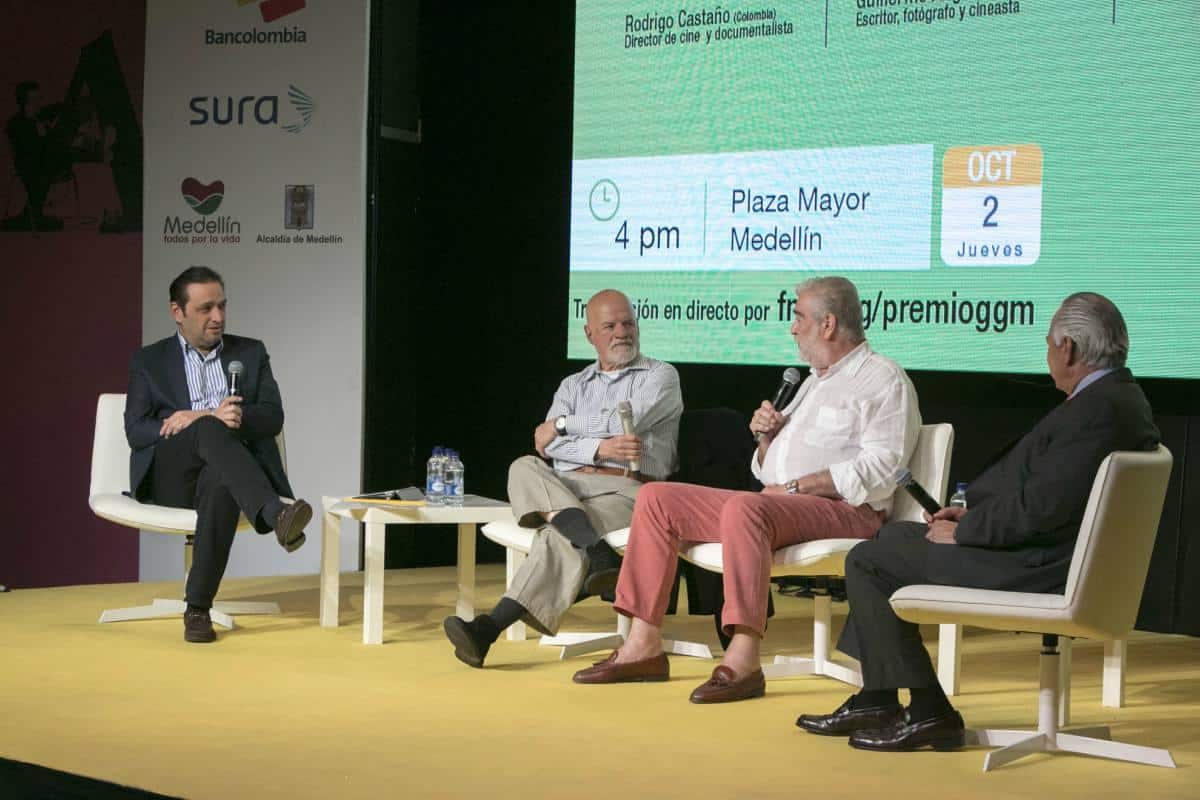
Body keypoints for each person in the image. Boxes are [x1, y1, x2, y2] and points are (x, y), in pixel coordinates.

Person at [797, 292, 1160, 751]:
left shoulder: (1099, 410)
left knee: (872, 559)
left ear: (1066, 347)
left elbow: (1042, 509)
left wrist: (965, 532)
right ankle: (878, 696)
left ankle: (926, 709)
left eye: (1048, 343)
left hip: (1041, 568)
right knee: (895, 539)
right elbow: (1052, 495)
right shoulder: (1118, 400)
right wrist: (970, 515)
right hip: (1054, 555)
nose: (1047, 353)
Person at [572, 276, 921, 703]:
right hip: (780, 504)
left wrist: (796, 486)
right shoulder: (811, 382)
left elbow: (884, 467)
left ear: (827, 324)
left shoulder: (882, 379)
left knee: (744, 508)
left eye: (797, 318)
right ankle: (643, 645)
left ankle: (744, 658)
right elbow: (764, 471)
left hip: (846, 511)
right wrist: (767, 440)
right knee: (657, 499)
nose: (792, 328)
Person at [442, 289, 683, 668]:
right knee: (523, 466)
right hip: (570, 486)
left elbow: (623, 420)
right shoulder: (573, 386)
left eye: (628, 323)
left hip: (631, 490)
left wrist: (562, 425)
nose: (622, 332)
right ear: (590, 334)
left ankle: (487, 629)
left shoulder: (661, 376)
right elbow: (547, 450)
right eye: (610, 325)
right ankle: (595, 550)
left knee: (558, 534)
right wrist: (600, 450)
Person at [125, 266, 311, 644]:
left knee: (220, 479)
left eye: (222, 306)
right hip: (172, 476)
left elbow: (273, 417)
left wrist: (234, 418)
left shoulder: (251, 352)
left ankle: (197, 609)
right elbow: (136, 430)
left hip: (227, 475)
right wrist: (201, 417)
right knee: (209, 428)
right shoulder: (150, 361)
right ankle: (275, 513)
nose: (218, 317)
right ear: (177, 312)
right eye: (206, 308)